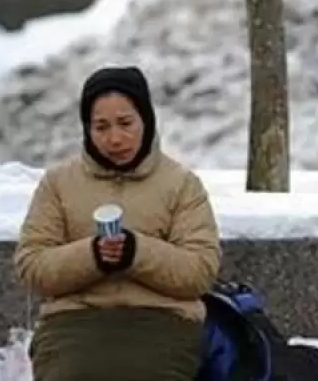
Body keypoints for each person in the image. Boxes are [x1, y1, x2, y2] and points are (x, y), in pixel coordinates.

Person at [14, 66, 222, 381]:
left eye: (126, 123)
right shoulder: (58, 183)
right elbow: (32, 266)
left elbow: (200, 271)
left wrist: (136, 251)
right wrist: (93, 254)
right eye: (101, 127)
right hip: (73, 322)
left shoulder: (181, 184)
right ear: (87, 129)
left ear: (146, 120)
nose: (115, 138)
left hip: (162, 321)